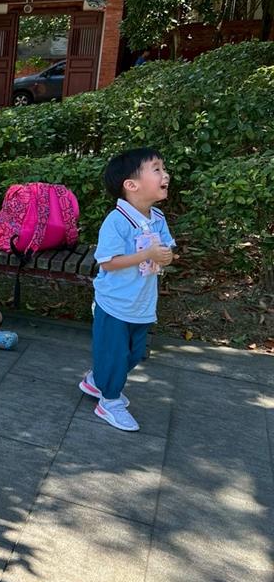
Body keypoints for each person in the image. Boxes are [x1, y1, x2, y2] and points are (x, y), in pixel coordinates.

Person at [80, 148, 174, 432]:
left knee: (134, 353)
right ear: (131, 185)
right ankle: (109, 402)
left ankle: (97, 380)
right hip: (115, 303)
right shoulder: (117, 221)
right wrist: (147, 255)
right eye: (156, 169)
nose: (165, 174)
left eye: (163, 168)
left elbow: (167, 249)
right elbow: (108, 262)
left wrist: (166, 256)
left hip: (142, 302)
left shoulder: (157, 217)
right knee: (115, 355)